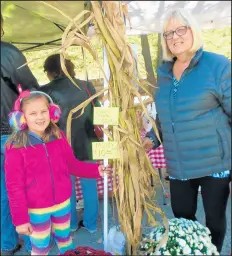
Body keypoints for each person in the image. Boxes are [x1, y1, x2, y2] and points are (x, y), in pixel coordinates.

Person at [143, 8, 231, 253]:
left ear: (194, 31)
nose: (175, 37)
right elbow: (165, 117)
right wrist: (151, 138)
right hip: (179, 165)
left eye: (181, 29)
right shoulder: (163, 72)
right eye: (168, 33)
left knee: (214, 220)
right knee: (182, 220)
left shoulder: (217, 65)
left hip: (216, 163)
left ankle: (212, 251)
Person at [4, 88, 111, 256]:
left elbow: (72, 165)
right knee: (40, 249)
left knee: (66, 242)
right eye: (33, 113)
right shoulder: (17, 146)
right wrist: (21, 220)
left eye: (44, 111)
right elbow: (14, 186)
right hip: (37, 211)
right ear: (22, 117)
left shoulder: (58, 136)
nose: (40, 117)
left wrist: (96, 170)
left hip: (62, 204)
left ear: (52, 112)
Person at [40, 54, 101, 233]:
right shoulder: (86, 85)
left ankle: (71, 224)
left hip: (60, 146)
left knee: (66, 189)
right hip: (89, 141)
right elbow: (98, 110)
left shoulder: (45, 91)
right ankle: (91, 224)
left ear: (50, 71)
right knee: (90, 186)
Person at [1, 13, 39, 255]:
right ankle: (32, 239)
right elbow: (33, 89)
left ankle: (7, 242)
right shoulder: (9, 52)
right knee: (22, 187)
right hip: (11, 134)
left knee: (4, 192)